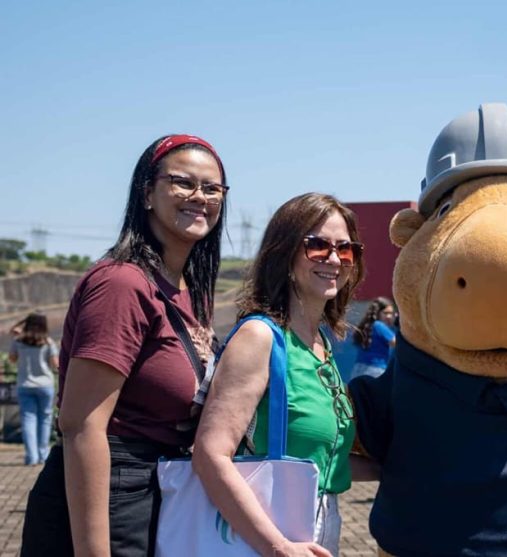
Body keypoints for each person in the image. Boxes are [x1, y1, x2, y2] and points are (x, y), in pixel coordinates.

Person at [21, 134, 228, 556]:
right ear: (147, 193)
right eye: (183, 182)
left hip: (157, 487)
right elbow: (81, 425)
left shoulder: (188, 291)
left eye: (212, 188)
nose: (199, 196)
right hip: (108, 494)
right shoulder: (122, 284)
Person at [193, 193, 368, 556]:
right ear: (285, 254)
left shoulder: (320, 343)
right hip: (267, 534)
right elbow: (210, 455)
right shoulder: (260, 337)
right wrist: (278, 547)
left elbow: (321, 456)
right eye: (317, 246)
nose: (334, 259)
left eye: (345, 249)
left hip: (319, 523)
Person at [8, 312, 58, 465]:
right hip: (45, 385)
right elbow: (55, 364)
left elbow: (12, 359)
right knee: (45, 419)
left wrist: (16, 333)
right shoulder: (48, 342)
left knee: (28, 419)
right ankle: (43, 455)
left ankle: (31, 457)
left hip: (25, 384)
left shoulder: (18, 341)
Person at [351, 297, 396, 379]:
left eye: (391, 313)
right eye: (386, 313)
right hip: (375, 369)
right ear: (377, 313)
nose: (389, 316)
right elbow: (396, 343)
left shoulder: (368, 326)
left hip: (358, 369)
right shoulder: (379, 325)